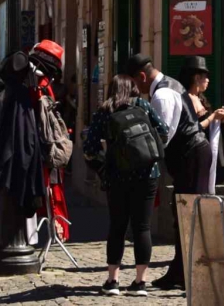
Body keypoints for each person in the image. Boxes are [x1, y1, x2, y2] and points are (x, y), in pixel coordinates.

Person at [82, 73, 170, 297]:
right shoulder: (143, 105)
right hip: (148, 174)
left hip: (117, 176)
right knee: (143, 227)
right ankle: (140, 282)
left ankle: (113, 281)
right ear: (133, 88)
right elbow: (163, 131)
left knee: (117, 227)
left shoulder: (104, 110)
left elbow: (90, 149)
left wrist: (104, 166)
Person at [122, 52, 202, 292]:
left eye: (135, 84)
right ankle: (178, 271)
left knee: (186, 215)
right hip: (190, 154)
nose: (136, 89)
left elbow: (161, 136)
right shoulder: (169, 86)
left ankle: (187, 273)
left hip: (190, 154)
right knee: (181, 216)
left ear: (142, 76)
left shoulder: (163, 94)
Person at [180, 56, 224, 194]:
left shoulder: (200, 98)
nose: (208, 80)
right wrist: (213, 116)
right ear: (196, 78)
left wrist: (219, 118)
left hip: (205, 151)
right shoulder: (186, 99)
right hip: (192, 154)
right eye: (205, 77)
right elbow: (192, 128)